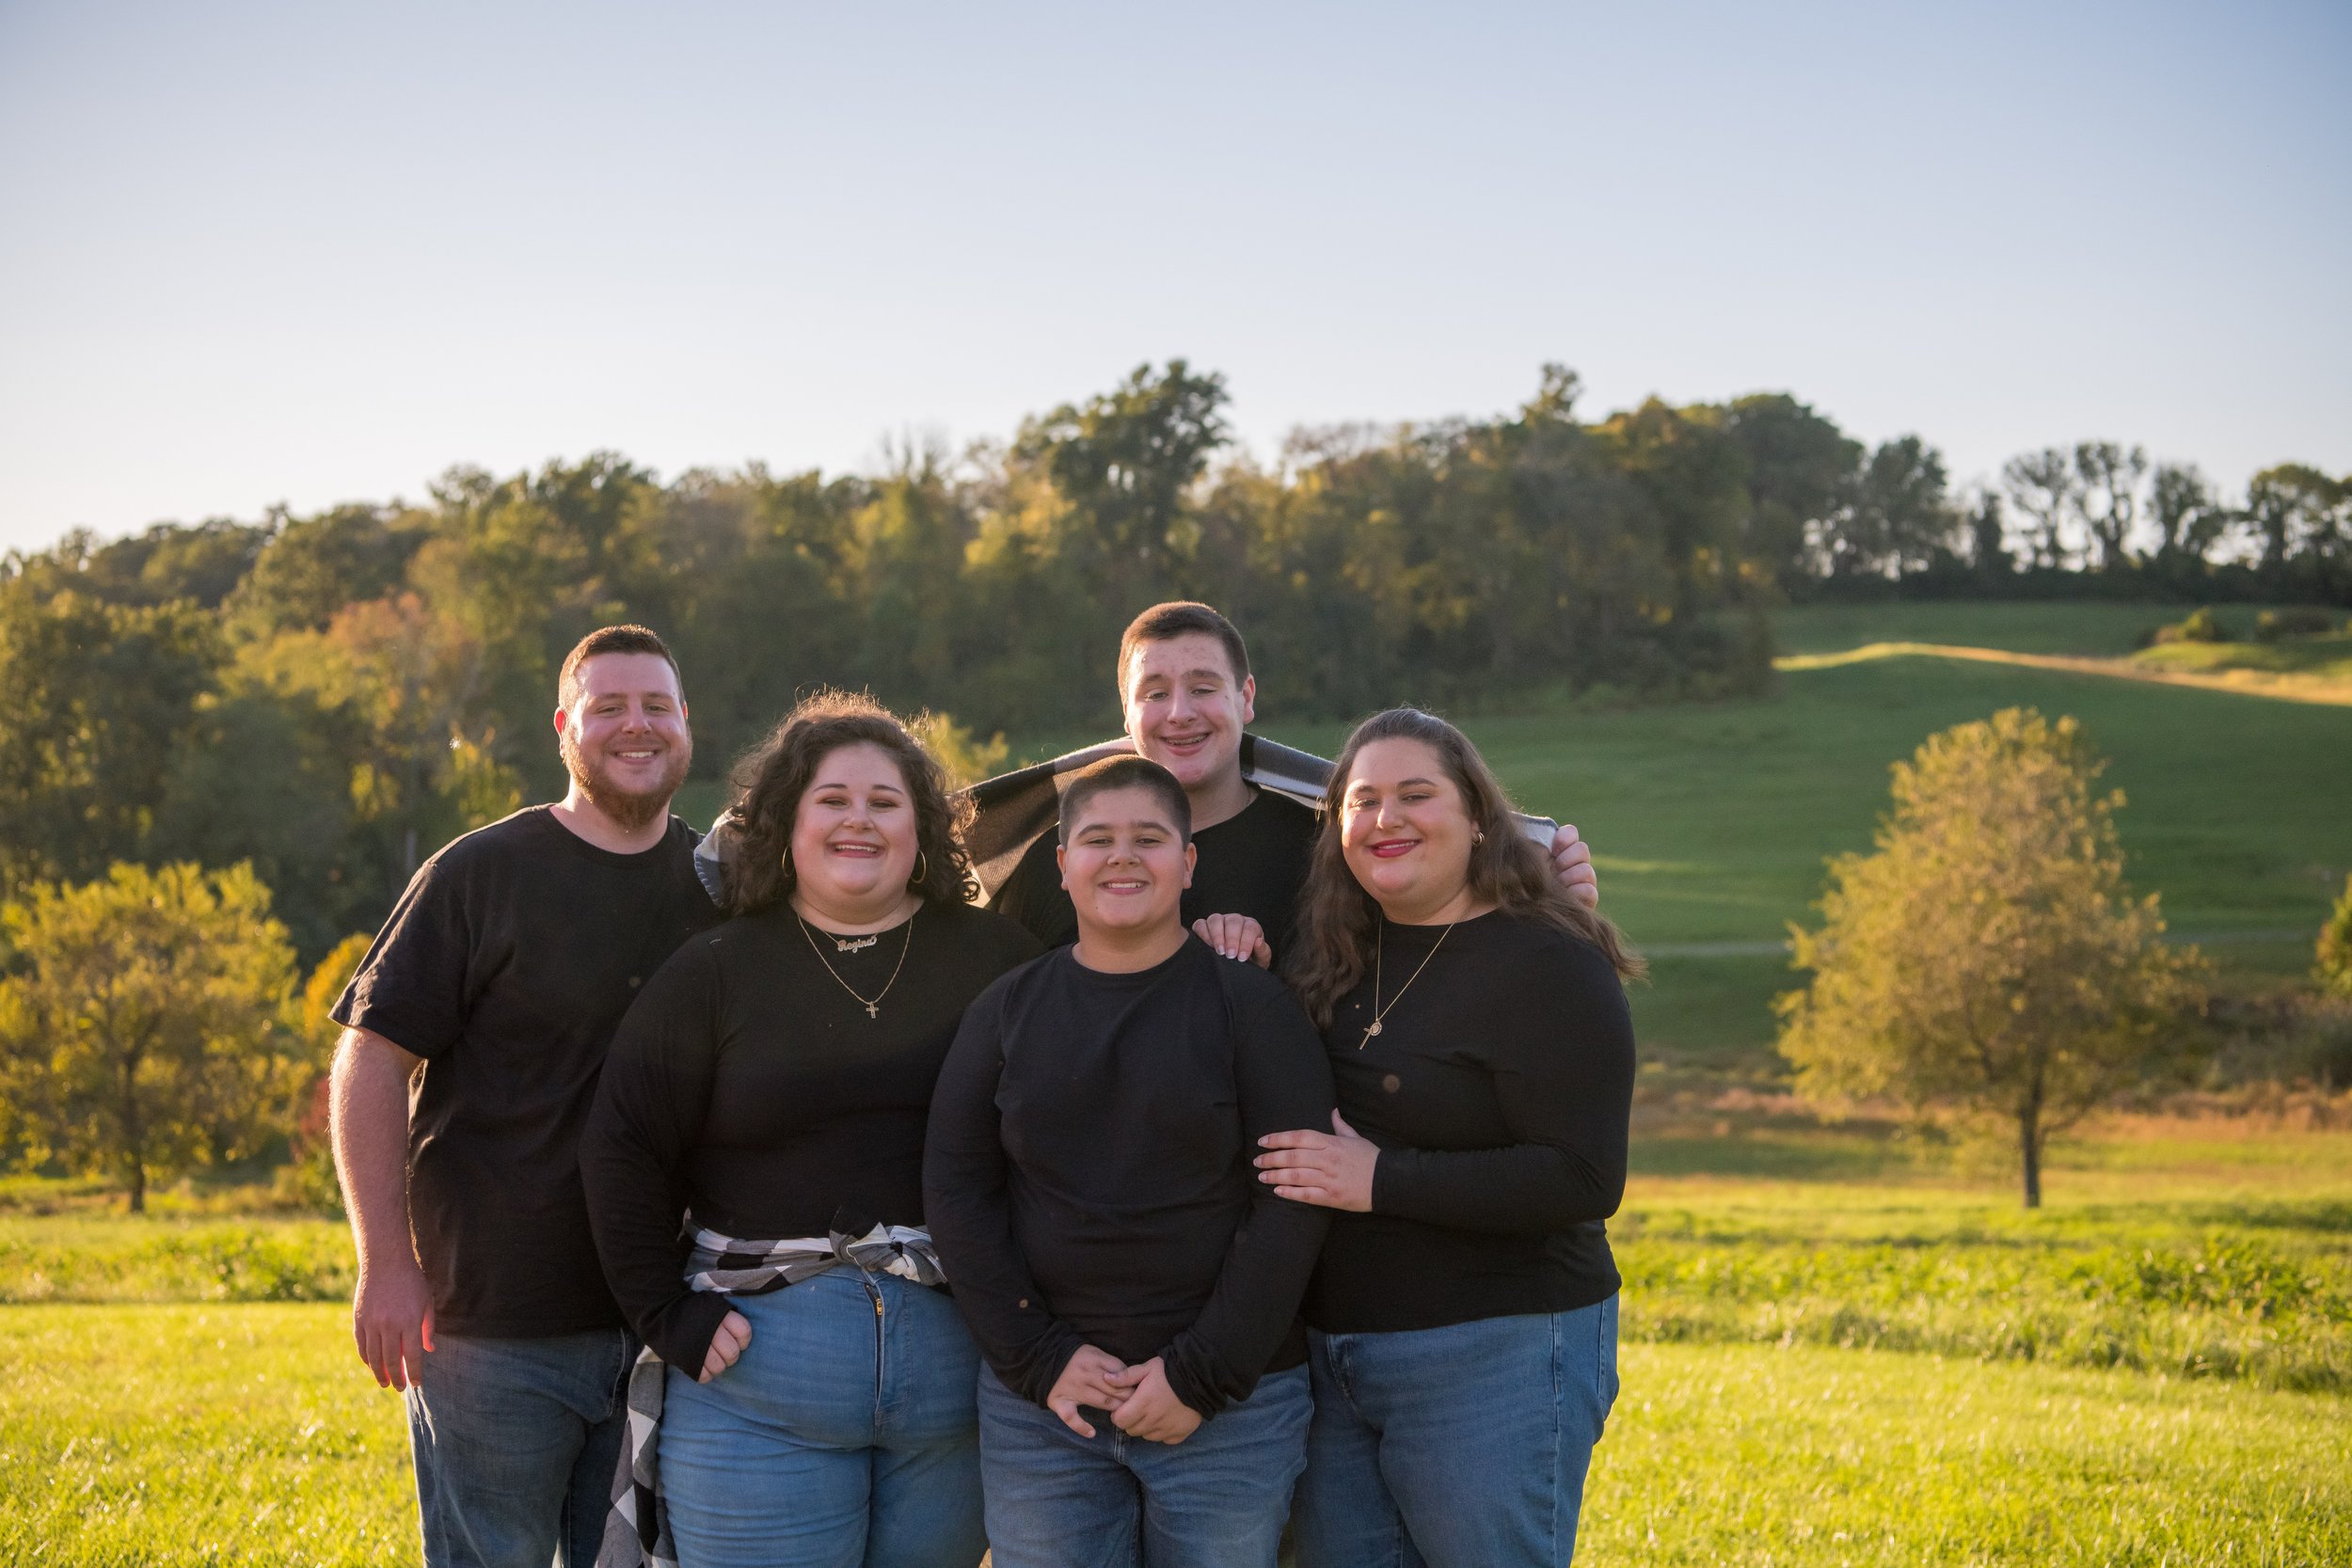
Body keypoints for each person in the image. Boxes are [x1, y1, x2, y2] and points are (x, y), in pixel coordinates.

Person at [578, 691, 1042, 1568]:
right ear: (786, 823)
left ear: (923, 828)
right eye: (831, 800)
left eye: (884, 801)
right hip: (755, 1390)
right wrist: (665, 1313)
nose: (857, 822)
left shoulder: (1000, 962)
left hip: (957, 1404)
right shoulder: (716, 970)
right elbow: (623, 1146)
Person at [329, 625, 717, 1568]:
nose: (637, 724)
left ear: (685, 724)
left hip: (661, 1320)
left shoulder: (720, 885)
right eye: (609, 706)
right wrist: (385, 1261)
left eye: (656, 705)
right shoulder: (480, 873)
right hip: (489, 1324)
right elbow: (369, 1061)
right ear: (562, 728)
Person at [924, 756, 1337, 1568]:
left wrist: (1199, 1376)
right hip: (1046, 1412)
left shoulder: (1253, 1009)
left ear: (1187, 865)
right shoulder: (1005, 1011)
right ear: (1063, 865)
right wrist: (1040, 1358)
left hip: (1229, 1411)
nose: (1122, 856)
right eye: (1097, 839)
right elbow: (957, 1191)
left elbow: (1292, 1201)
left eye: (1149, 838)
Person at [1253, 707, 1642, 1568]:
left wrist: (1378, 1179)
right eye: (1361, 802)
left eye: (1415, 794)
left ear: (1476, 817)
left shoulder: (1548, 961)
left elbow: (1581, 1178)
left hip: (1497, 1349)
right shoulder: (1330, 955)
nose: (1386, 819)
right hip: (1335, 1356)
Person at [984, 602, 1599, 965]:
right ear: (1125, 712)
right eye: (1154, 693)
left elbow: (1435, 964)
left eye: (1203, 688)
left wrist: (1535, 887)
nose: (1179, 712)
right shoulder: (1059, 862)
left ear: (1245, 697)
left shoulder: (1332, 849)